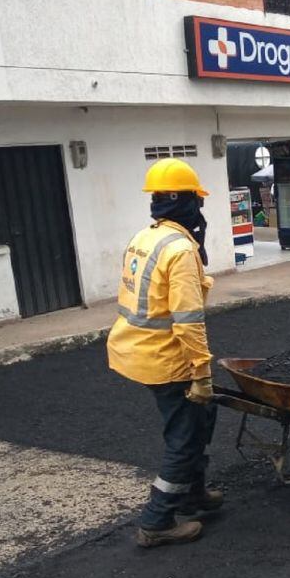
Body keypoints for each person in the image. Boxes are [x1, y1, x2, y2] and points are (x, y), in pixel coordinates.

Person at [107, 158, 223, 548]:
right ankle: (157, 522)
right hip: (166, 358)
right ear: (187, 202)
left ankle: (193, 494)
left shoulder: (144, 238)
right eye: (197, 201)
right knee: (185, 437)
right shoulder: (179, 250)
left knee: (202, 416)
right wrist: (202, 373)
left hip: (136, 351)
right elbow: (188, 320)